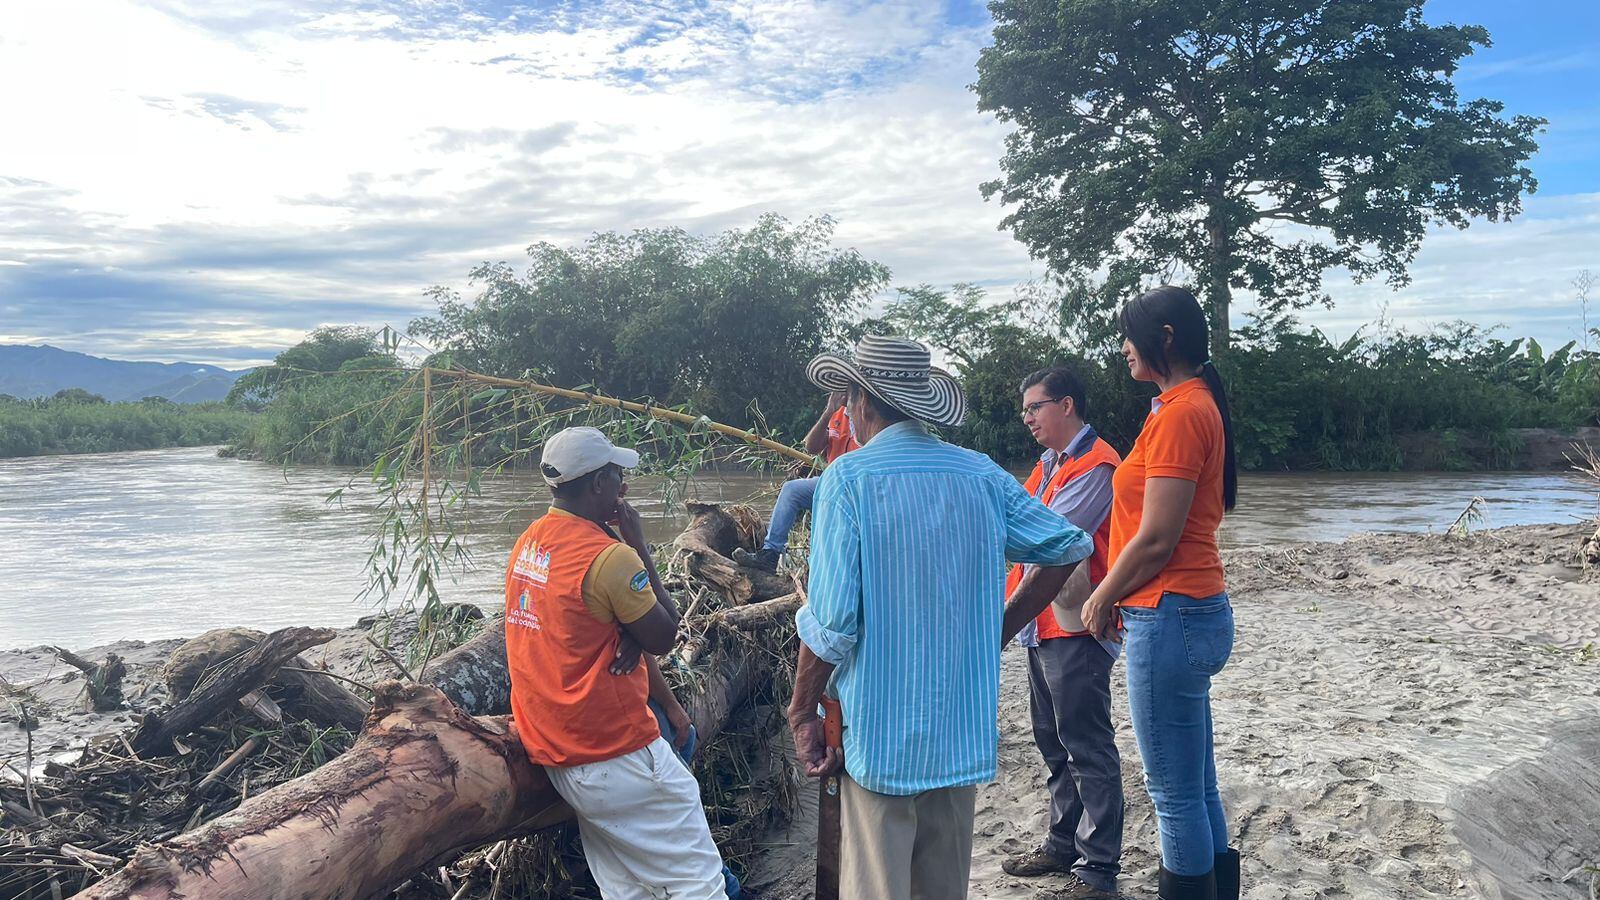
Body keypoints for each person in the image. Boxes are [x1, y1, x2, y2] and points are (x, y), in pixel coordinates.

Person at [786, 335, 1094, 900]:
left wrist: (802, 707)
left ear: (860, 400)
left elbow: (830, 624)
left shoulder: (848, 480)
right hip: (958, 733)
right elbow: (1069, 545)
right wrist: (998, 628)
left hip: (880, 737)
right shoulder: (980, 474)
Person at [505, 426, 729, 900]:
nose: (624, 486)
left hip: (556, 749)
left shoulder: (530, 542)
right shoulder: (609, 557)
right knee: (699, 882)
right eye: (617, 475)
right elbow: (666, 635)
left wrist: (626, 630)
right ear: (597, 485)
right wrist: (638, 545)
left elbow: (577, 624)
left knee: (627, 888)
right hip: (613, 749)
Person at [1080, 286, 1241, 900]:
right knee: (1195, 786)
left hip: (1169, 612)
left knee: (1173, 794)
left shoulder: (1180, 412)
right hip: (1190, 610)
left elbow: (1157, 538)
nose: (1123, 348)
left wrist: (1101, 596)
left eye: (1130, 335)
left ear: (1165, 338)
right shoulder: (1183, 404)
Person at [1003, 367, 1125, 899]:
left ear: (1067, 405)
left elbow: (1045, 537)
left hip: (1076, 626)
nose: (1028, 418)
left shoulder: (1096, 465)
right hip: (1043, 624)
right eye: (1026, 410)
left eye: (1036, 407)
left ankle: (1097, 869)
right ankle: (1061, 845)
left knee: (1086, 746)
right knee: (1054, 743)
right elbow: (1014, 518)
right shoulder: (1052, 464)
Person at [734, 391, 857, 572]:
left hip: (855, 485)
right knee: (792, 490)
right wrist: (828, 412)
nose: (839, 394)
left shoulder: (866, 416)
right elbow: (811, 447)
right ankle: (770, 554)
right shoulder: (837, 415)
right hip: (831, 482)